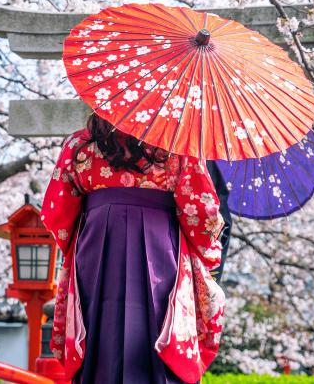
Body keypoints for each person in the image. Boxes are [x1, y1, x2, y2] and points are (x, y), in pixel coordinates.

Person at [42, 114, 226, 384]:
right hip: (161, 249)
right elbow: (201, 212)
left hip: (95, 252)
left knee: (97, 334)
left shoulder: (78, 145)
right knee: (159, 326)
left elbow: (56, 214)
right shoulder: (176, 143)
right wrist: (208, 252)